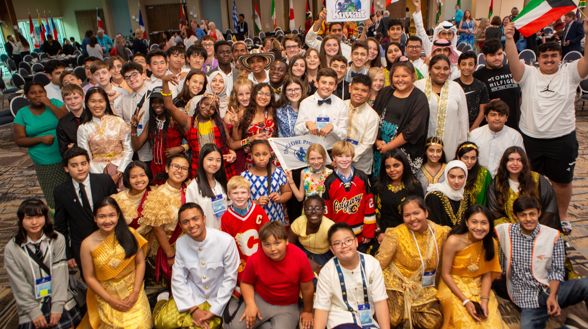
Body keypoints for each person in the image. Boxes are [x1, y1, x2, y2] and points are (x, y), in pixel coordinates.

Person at [505, 21, 588, 235]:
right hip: (530, 139)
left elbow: (587, 61)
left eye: (553, 56)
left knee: (562, 182)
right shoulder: (529, 75)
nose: (549, 59)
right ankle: (531, 213)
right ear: (538, 59)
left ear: (560, 57)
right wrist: (509, 38)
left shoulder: (570, 73)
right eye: (545, 56)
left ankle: (562, 216)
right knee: (530, 182)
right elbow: (513, 63)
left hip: (562, 139)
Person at [494, 196, 588, 329]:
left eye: (532, 214)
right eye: (523, 215)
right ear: (515, 216)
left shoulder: (553, 236)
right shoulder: (506, 231)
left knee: (586, 284)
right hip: (528, 299)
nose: (528, 219)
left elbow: (557, 270)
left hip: (550, 289)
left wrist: (553, 296)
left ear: (539, 213)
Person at [153, 203, 239, 329]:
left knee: (201, 326)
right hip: (193, 294)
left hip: (216, 296)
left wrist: (214, 310)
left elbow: (230, 278)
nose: (192, 225)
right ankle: (162, 300)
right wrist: (193, 309)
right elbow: (178, 278)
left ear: (204, 219)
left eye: (195, 219)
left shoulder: (226, 241)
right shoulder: (181, 242)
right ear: (181, 226)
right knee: (162, 323)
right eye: (186, 222)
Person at [5, 199, 82, 329]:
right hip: (32, 303)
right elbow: (19, 284)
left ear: (46, 217)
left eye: (39, 217)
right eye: (29, 218)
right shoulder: (12, 248)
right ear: (19, 219)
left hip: (60, 298)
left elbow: (60, 274)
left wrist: (57, 307)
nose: (34, 222)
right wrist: (34, 312)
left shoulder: (57, 239)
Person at [377, 195, 450, 329]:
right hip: (396, 283)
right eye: (407, 215)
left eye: (416, 213)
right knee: (392, 320)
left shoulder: (441, 233)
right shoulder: (396, 234)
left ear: (426, 212)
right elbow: (379, 263)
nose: (412, 219)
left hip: (424, 286)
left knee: (432, 323)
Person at [224, 221, 315, 329]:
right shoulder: (255, 259)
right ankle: (234, 300)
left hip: (287, 306)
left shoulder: (299, 256)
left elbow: (307, 288)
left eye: (277, 243)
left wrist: (308, 311)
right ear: (261, 244)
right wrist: (250, 304)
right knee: (234, 327)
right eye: (267, 244)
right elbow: (246, 283)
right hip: (261, 299)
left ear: (286, 241)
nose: (273, 249)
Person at [78, 197, 152, 328]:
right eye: (102, 216)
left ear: (118, 215)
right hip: (107, 294)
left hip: (133, 289)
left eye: (112, 215)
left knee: (141, 324)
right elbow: (89, 277)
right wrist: (110, 300)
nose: (107, 221)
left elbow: (140, 262)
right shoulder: (87, 244)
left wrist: (135, 292)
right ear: (95, 218)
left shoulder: (130, 234)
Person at [437, 205, 505, 328]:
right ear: (467, 223)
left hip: (479, 286)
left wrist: (484, 299)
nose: (479, 227)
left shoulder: (492, 244)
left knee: (493, 325)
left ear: (490, 225)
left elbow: (487, 274)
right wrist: (465, 301)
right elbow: (445, 274)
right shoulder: (454, 241)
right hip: (454, 285)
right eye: (474, 222)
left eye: (484, 223)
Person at [313, 222, 390, 329]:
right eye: (338, 243)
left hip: (368, 322)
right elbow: (322, 308)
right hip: (340, 321)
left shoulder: (372, 264)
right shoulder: (327, 271)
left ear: (356, 242)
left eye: (348, 240)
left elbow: (380, 301)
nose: (344, 245)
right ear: (332, 250)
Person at [54, 146, 117, 275]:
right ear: (66, 168)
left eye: (83, 163)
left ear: (89, 164)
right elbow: (61, 226)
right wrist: (68, 253)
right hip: (82, 246)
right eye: (74, 165)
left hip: (110, 241)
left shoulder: (104, 181)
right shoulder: (61, 191)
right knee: (91, 281)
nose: (80, 168)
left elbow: (118, 211)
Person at [163, 80, 238, 179]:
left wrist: (250, 140)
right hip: (198, 167)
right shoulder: (189, 122)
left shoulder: (219, 123)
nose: (207, 108)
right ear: (199, 103)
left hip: (220, 166)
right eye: (206, 104)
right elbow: (169, 106)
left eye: (212, 108)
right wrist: (165, 82)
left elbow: (231, 143)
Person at [14, 82, 68, 209]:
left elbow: (66, 120)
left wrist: (49, 104)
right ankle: (59, 223)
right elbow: (19, 140)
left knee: (73, 191)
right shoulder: (22, 113)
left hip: (65, 154)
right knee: (53, 194)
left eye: (40, 92)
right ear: (26, 96)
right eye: (33, 93)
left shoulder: (55, 103)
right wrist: (40, 139)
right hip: (44, 158)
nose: (37, 95)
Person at [373, 59, 430, 176]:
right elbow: (373, 118)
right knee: (379, 180)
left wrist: (389, 147)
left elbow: (413, 130)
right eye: (396, 76)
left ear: (413, 76)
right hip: (379, 146)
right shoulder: (384, 92)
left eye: (405, 76)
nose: (400, 79)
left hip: (403, 149)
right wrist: (377, 141)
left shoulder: (420, 98)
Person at [140, 154, 191, 283]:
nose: (179, 171)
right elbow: (158, 230)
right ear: (167, 169)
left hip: (190, 244)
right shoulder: (157, 195)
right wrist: (170, 255)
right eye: (176, 166)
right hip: (170, 246)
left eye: (184, 168)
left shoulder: (190, 189)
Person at [486, 146, 560, 230]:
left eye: (519, 160)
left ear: (524, 162)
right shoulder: (497, 183)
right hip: (508, 230)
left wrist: (536, 228)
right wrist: (513, 230)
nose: (515, 163)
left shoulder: (538, 180)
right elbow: (494, 211)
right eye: (511, 160)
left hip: (536, 229)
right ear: (505, 162)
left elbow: (549, 207)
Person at [323, 141, 376, 251]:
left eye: (347, 156)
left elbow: (369, 206)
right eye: (340, 156)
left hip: (361, 236)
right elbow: (326, 211)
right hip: (339, 235)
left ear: (352, 157)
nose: (344, 159)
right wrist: (330, 234)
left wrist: (368, 232)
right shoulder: (329, 181)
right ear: (333, 158)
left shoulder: (362, 177)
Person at [77, 88, 132, 189]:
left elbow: (129, 149)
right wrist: (101, 177)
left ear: (106, 102)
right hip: (97, 172)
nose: (97, 105)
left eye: (101, 101)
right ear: (87, 104)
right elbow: (86, 156)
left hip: (121, 169)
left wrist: (118, 173)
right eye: (93, 101)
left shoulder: (119, 122)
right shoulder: (83, 128)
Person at [415, 54, 468, 159]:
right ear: (429, 69)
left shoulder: (456, 88)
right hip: (422, 143)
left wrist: (462, 145)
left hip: (450, 144)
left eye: (446, 68)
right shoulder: (418, 86)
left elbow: (463, 119)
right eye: (437, 68)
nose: (442, 72)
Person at [131, 87, 185, 184]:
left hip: (175, 167)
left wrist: (180, 148)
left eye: (161, 101)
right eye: (154, 102)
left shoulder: (175, 120)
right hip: (156, 169)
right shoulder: (151, 123)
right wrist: (134, 127)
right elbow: (136, 146)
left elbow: (193, 140)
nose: (157, 105)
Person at [373, 149, 424, 242]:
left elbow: (420, 215)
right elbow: (373, 210)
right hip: (383, 236)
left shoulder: (414, 186)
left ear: (404, 165)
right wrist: (379, 232)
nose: (392, 170)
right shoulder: (378, 184)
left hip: (408, 236)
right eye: (388, 167)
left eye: (396, 165)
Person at [295, 68, 349, 151]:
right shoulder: (305, 103)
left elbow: (344, 135)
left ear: (335, 87)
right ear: (316, 83)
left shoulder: (341, 104)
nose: (327, 86)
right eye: (323, 82)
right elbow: (297, 131)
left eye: (331, 84)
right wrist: (307, 124)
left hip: (332, 151)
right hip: (310, 151)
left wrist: (333, 127)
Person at [473, 39, 521, 131]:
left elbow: (520, 97)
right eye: (492, 55)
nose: (497, 58)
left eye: (499, 54)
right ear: (484, 57)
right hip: (490, 130)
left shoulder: (512, 70)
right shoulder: (477, 76)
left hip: (515, 127)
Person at [468, 100, 524, 177]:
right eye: (493, 115)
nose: (497, 118)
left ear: (506, 118)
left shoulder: (515, 136)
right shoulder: (475, 134)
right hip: (478, 179)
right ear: (486, 117)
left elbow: (521, 162)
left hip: (504, 180)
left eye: (501, 115)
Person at [241, 140, 292, 223]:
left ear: (270, 154)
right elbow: (240, 199)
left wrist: (280, 198)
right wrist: (256, 202)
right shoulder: (244, 177)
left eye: (265, 154)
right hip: (253, 221)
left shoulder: (279, 173)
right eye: (257, 155)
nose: (261, 158)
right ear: (251, 156)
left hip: (275, 219)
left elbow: (288, 192)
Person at [232, 83, 278, 170]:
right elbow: (236, 140)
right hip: (254, 157)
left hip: (272, 157)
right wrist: (235, 125)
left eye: (267, 94)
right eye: (260, 93)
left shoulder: (271, 111)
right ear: (254, 95)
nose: (263, 97)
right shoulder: (244, 113)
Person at [288, 196, 335, 277]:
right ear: (304, 210)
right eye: (309, 208)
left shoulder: (330, 227)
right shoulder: (299, 222)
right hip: (302, 251)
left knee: (322, 277)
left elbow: (338, 250)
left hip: (323, 254)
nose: (313, 211)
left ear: (323, 210)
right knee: (297, 275)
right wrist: (306, 260)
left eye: (317, 208)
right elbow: (288, 246)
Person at [185, 144, 230, 229]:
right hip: (205, 235)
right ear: (202, 160)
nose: (214, 163)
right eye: (210, 159)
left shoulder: (222, 183)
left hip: (224, 232)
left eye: (218, 160)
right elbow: (192, 216)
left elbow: (229, 206)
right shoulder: (193, 187)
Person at [110, 161, 154, 237]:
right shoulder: (119, 199)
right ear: (128, 179)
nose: (139, 180)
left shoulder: (156, 194)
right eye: (133, 177)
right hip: (127, 240)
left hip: (150, 240)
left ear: (148, 176)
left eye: (142, 175)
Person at [345, 74, 379, 175]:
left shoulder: (372, 116)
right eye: (356, 89)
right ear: (350, 88)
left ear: (369, 93)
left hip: (360, 164)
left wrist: (347, 158)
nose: (359, 93)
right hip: (337, 160)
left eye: (364, 91)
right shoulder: (341, 105)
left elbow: (367, 143)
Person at [425, 160, 470, 227]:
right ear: (446, 176)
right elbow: (433, 226)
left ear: (465, 177)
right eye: (452, 177)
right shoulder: (434, 196)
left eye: (461, 177)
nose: (456, 181)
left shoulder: (465, 195)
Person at [455, 51, 490, 130]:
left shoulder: (481, 86)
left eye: (470, 64)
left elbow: (482, 111)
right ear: (458, 66)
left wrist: (472, 130)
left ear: (475, 67)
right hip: (455, 128)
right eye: (463, 64)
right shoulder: (453, 85)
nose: (467, 67)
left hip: (475, 129)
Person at [455, 142, 492, 207]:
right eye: (465, 158)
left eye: (473, 158)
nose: (469, 162)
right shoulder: (452, 171)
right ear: (459, 157)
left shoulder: (484, 173)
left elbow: (489, 199)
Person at [57, 84, 87, 156]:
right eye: (68, 99)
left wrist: (75, 146)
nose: (73, 101)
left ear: (83, 97)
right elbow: (64, 151)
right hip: (76, 161)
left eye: (76, 97)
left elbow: (98, 143)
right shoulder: (62, 123)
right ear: (64, 101)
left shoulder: (92, 116)